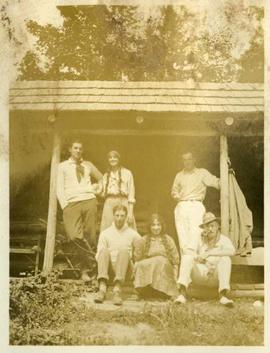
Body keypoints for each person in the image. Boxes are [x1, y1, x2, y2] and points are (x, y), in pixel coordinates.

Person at [56, 140, 103, 282]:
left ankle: (86, 271)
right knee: (74, 236)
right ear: (70, 149)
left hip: (89, 200)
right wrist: (65, 205)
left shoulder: (87, 165)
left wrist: (98, 189)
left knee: (90, 236)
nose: (78, 151)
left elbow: (102, 178)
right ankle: (94, 264)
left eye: (80, 149)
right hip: (71, 203)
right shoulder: (62, 166)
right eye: (75, 148)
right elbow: (59, 187)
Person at [175, 212, 235, 306]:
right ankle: (182, 295)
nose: (210, 229)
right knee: (187, 258)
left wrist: (209, 253)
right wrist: (200, 258)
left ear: (217, 226)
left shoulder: (223, 239)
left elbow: (232, 251)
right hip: (200, 274)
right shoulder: (198, 238)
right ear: (204, 228)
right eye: (207, 226)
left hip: (215, 275)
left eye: (212, 226)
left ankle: (223, 296)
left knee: (226, 259)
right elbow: (187, 250)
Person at [171, 152, 220, 256]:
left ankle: (197, 267)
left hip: (196, 205)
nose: (187, 162)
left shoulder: (202, 173)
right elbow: (174, 191)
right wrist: (176, 196)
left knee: (196, 236)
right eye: (184, 160)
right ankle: (186, 267)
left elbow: (217, 183)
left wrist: (228, 177)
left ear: (194, 159)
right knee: (183, 239)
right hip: (181, 206)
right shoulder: (179, 175)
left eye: (189, 159)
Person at [94, 204, 141, 305]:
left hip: (125, 270)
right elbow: (99, 255)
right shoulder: (105, 233)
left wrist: (136, 263)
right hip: (109, 269)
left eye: (122, 216)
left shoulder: (132, 233)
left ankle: (117, 291)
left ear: (126, 216)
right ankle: (102, 289)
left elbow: (140, 249)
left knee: (124, 251)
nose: (119, 218)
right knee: (103, 251)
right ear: (113, 216)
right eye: (117, 215)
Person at [134, 213, 179, 299]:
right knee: (142, 264)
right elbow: (137, 260)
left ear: (162, 226)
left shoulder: (168, 239)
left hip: (164, 268)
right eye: (153, 225)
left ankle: (163, 291)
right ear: (149, 227)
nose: (156, 228)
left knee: (161, 262)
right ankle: (147, 290)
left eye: (158, 225)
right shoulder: (143, 240)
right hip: (148, 267)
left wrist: (175, 277)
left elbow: (175, 260)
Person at [100, 150, 136, 231]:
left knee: (126, 228)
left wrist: (130, 212)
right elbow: (102, 193)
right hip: (109, 204)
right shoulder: (106, 175)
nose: (112, 159)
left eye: (115, 157)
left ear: (119, 159)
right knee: (108, 228)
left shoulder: (127, 173)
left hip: (123, 202)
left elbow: (131, 193)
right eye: (110, 157)